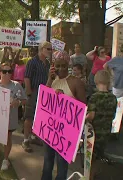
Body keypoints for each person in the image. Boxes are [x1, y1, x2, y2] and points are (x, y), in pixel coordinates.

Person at [42, 51, 86, 180]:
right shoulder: (52, 80)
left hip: (66, 130)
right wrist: (50, 79)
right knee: (47, 160)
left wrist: (65, 101)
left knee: (62, 163)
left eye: (64, 66)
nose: (61, 69)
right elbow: (44, 98)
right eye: (58, 65)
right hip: (50, 126)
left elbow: (83, 106)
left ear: (69, 66)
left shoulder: (75, 82)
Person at [0, 63, 27, 171]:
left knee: (8, 138)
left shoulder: (16, 85)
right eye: (4, 71)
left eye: (9, 71)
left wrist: (17, 102)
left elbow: (24, 100)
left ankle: (5, 159)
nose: (7, 74)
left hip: (10, 118)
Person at [85, 70, 117, 179]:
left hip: (94, 133)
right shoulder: (113, 98)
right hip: (106, 131)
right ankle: (94, 173)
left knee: (91, 156)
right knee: (99, 155)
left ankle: (90, 176)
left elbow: (91, 116)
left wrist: (83, 119)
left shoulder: (94, 97)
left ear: (96, 81)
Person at [22, 41, 53, 152]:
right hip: (34, 91)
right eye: (48, 49)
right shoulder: (32, 62)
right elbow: (27, 77)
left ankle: (34, 136)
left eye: (51, 49)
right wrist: (29, 92)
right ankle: (25, 140)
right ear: (41, 49)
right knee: (29, 117)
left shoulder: (48, 64)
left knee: (39, 116)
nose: (50, 51)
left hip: (44, 93)